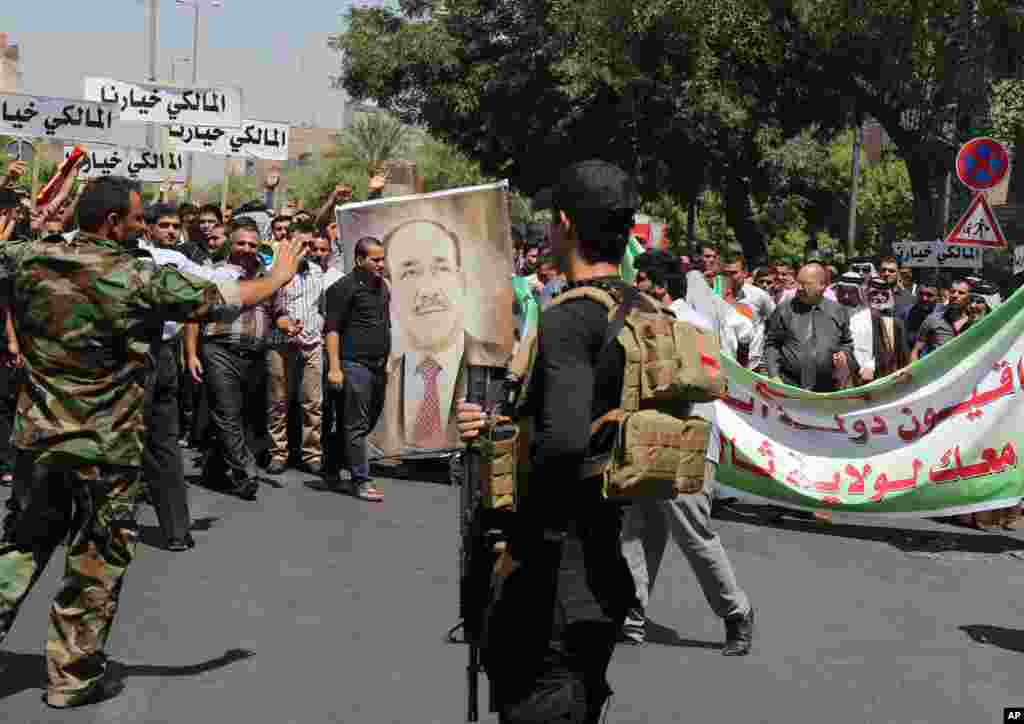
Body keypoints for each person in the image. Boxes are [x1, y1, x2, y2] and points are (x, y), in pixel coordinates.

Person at [0, 176, 306, 708]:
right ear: (113, 222)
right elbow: (221, 299)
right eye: (138, 219)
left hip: (39, 440)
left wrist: (37, 220)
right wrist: (280, 273)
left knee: (20, 546)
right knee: (95, 556)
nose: (143, 228)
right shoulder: (136, 277)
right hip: (107, 447)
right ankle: (71, 677)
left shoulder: (30, 259)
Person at [455, 160, 639, 724]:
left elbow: (561, 445)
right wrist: (493, 426)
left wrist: (521, 549)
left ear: (563, 224)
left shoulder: (570, 316)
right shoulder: (640, 310)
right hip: (606, 562)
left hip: (554, 577)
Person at [370, 218, 502, 455]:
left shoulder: (499, 365)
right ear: (389, 289)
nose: (428, 291)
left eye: (441, 269)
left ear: (461, 281)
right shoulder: (376, 376)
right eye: (410, 273)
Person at [184, 219, 276, 501]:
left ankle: (213, 467)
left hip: (255, 354)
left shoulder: (268, 277)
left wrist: (286, 323)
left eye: (252, 244)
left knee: (241, 414)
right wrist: (190, 354)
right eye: (241, 243)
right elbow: (194, 315)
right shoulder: (215, 273)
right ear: (230, 244)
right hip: (219, 350)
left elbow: (278, 310)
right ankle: (246, 472)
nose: (247, 249)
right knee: (227, 412)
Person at [325, 237, 390, 501]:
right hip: (353, 365)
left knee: (367, 420)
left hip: (378, 367)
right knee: (356, 424)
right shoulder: (343, 288)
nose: (381, 264)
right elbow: (332, 330)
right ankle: (361, 480)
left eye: (383, 259)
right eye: (375, 260)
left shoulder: (381, 286)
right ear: (359, 260)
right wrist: (335, 368)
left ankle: (332, 468)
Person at [265, 221, 327, 475]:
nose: (308, 250)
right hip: (280, 345)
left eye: (311, 244)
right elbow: (266, 308)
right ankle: (278, 453)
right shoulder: (272, 271)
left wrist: (317, 328)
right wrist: (284, 325)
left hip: (312, 344)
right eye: (302, 244)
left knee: (312, 402)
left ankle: (311, 453)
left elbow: (321, 307)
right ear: (288, 243)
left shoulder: (317, 272)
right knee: (278, 402)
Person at [765, 261, 858, 392]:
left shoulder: (838, 310)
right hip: (790, 387)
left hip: (827, 390)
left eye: (805, 284)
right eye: (798, 282)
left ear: (822, 285)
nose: (799, 288)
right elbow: (772, 344)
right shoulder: (784, 310)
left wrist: (844, 354)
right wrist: (773, 375)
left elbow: (847, 342)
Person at [911, 278, 970, 362]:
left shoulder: (975, 323)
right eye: (952, 292)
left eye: (961, 293)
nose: (955, 295)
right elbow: (916, 351)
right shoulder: (933, 319)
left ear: (968, 296)